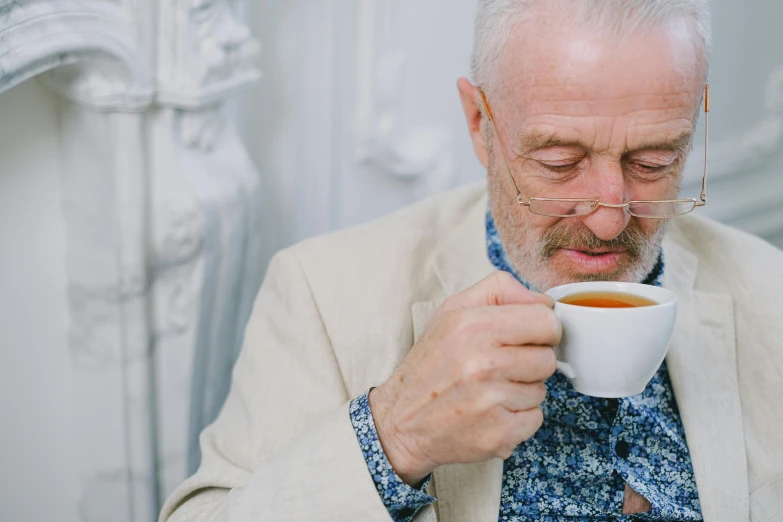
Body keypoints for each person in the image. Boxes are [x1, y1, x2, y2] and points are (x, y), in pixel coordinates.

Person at [160, 0, 783, 520]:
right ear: (481, 123)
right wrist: (395, 436)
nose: (608, 217)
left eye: (653, 162)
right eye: (559, 164)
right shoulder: (321, 293)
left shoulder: (771, 293)